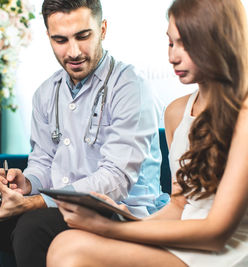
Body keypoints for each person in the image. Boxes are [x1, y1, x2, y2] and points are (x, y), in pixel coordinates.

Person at [0, 0, 167, 266]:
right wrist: (24, 184)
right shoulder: (46, 92)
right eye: (60, 40)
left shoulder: (131, 86)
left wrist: (37, 202)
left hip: (120, 214)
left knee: (33, 226)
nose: (73, 51)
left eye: (83, 36)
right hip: (60, 211)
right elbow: (43, 162)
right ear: (49, 37)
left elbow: (116, 180)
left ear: (103, 29)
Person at [47, 0, 248, 266]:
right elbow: (178, 207)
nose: (173, 56)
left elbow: (216, 232)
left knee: (72, 250)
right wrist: (124, 218)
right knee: (67, 243)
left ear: (217, 42)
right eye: (171, 43)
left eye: (186, 44)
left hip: (226, 250)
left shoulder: (244, 114)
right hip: (184, 240)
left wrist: (109, 228)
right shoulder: (176, 112)